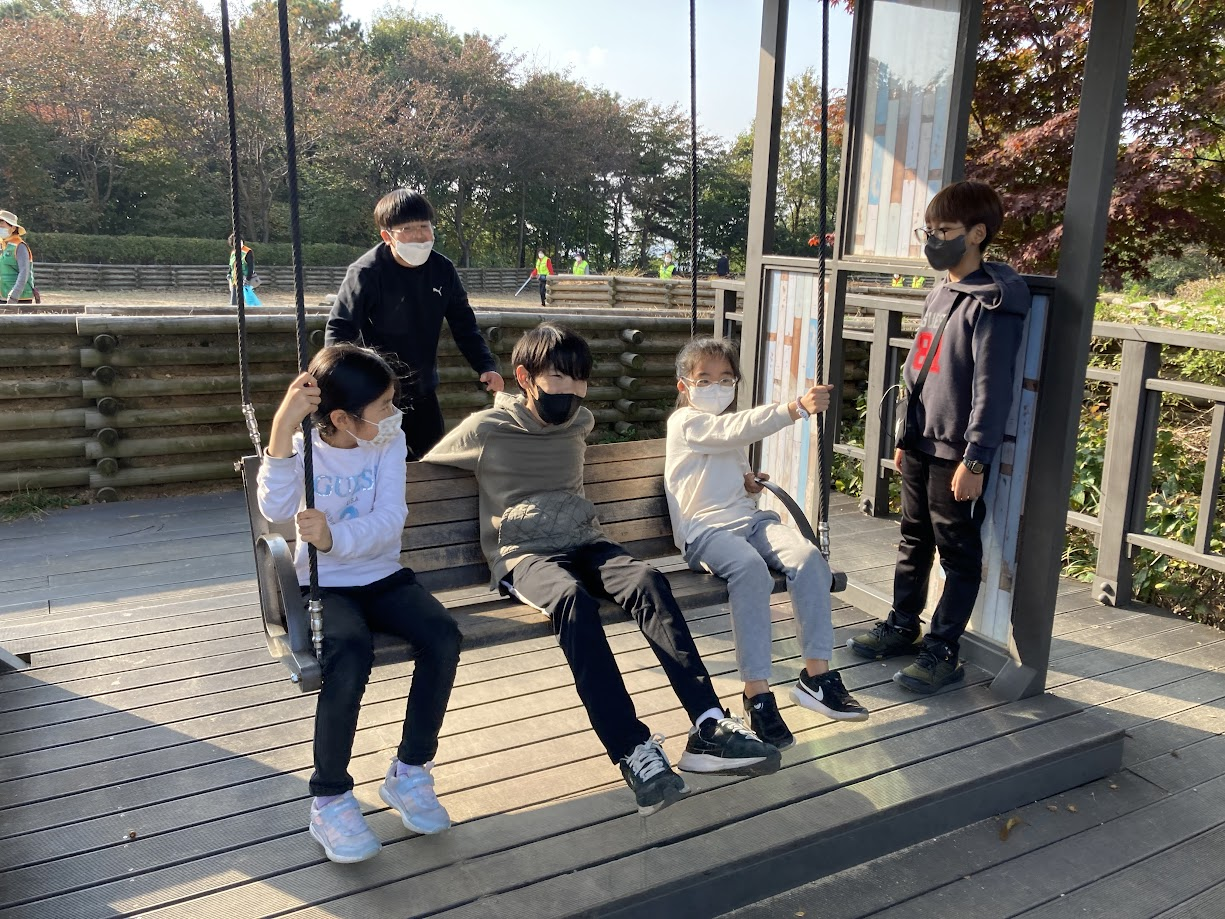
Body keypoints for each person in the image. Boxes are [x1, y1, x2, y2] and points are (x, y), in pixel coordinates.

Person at [424, 322, 780, 816]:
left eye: (580, 380)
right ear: (525, 377)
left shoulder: (581, 421)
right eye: (558, 378)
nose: (570, 391)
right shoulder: (486, 429)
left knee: (648, 581)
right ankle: (631, 748)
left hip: (587, 542)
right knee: (572, 602)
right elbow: (426, 468)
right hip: (524, 556)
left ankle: (708, 723)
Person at [257, 343, 462, 863]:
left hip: (381, 574)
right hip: (323, 585)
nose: (393, 415)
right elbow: (275, 508)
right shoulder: (303, 447)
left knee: (442, 635)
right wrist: (281, 427)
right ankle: (329, 798)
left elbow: (391, 519)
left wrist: (335, 537)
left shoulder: (387, 442)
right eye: (383, 407)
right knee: (348, 651)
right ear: (342, 418)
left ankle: (410, 771)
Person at [847, 180, 1030, 693]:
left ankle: (943, 649)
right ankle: (902, 624)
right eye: (928, 230)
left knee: (957, 552)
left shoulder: (993, 304)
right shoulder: (941, 292)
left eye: (944, 230)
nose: (933, 240)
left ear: (977, 234)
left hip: (957, 452)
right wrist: (905, 434)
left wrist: (976, 459)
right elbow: (919, 366)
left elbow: (992, 390)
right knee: (912, 537)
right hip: (921, 440)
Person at [664, 337, 869, 750]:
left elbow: (723, 461)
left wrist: (748, 485)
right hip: (706, 532)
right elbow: (730, 431)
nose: (717, 387)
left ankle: (817, 677)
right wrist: (795, 408)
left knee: (808, 559)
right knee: (751, 571)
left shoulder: (722, 425)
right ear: (684, 386)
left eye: (726, 379)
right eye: (705, 379)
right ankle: (756, 694)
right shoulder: (686, 422)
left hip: (749, 521)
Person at [325, 189, 504, 460]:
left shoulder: (442, 270)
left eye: (424, 227)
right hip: (376, 393)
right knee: (380, 462)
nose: (419, 236)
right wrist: (337, 383)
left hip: (423, 388)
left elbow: (464, 323)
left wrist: (485, 365)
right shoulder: (366, 273)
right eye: (407, 229)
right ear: (387, 236)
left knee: (433, 461)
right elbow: (339, 329)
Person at [0, 210, 35, 305]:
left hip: (19, 298)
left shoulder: (20, 246)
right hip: (3, 295)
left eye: (2, 225)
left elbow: (24, 273)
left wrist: (14, 295)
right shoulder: (2, 245)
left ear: (13, 228)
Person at [228, 234, 260, 307]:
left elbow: (250, 267)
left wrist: (248, 279)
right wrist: (229, 275)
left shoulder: (247, 251)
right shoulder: (233, 252)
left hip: (244, 279)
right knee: (234, 302)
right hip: (234, 279)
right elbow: (231, 265)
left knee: (249, 300)